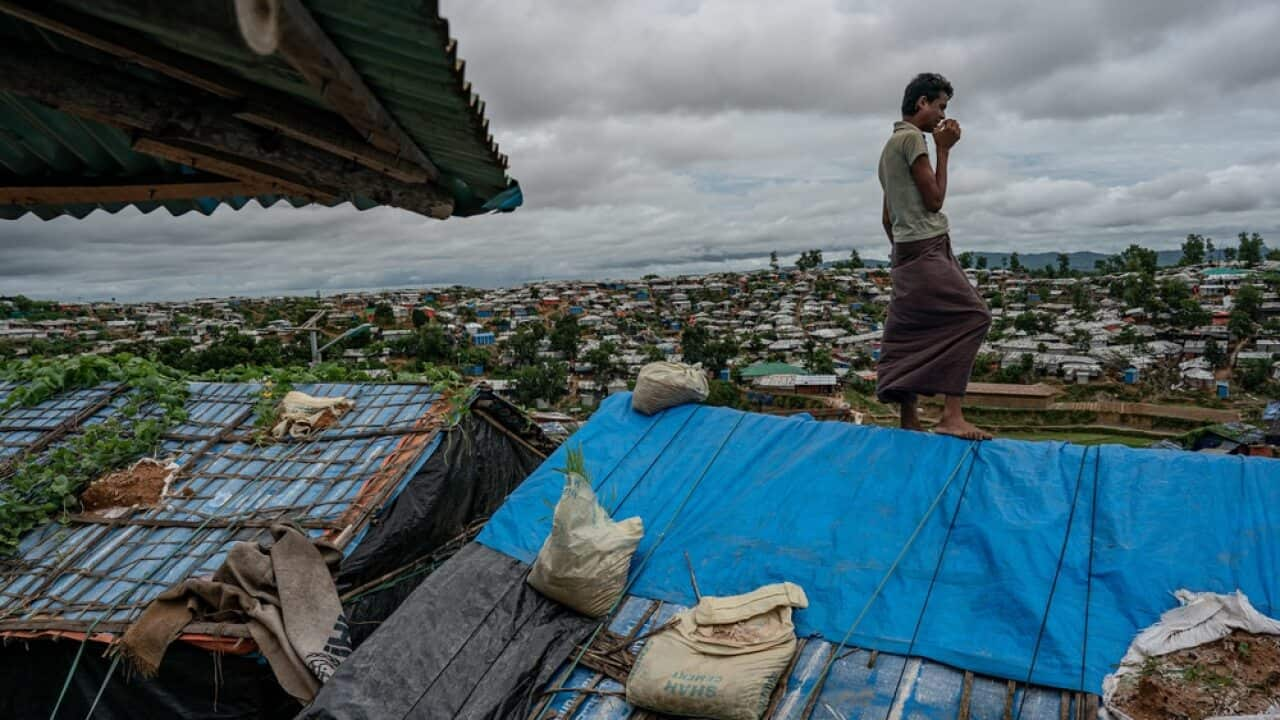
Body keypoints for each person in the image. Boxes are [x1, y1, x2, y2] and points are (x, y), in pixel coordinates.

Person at [875, 73, 992, 440]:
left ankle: (909, 416)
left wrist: (902, 255)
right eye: (940, 106)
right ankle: (951, 416)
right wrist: (943, 149)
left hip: (905, 250)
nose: (942, 115)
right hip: (926, 245)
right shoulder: (913, 140)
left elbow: (886, 216)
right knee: (973, 316)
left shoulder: (889, 147)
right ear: (922, 103)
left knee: (912, 329)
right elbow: (935, 199)